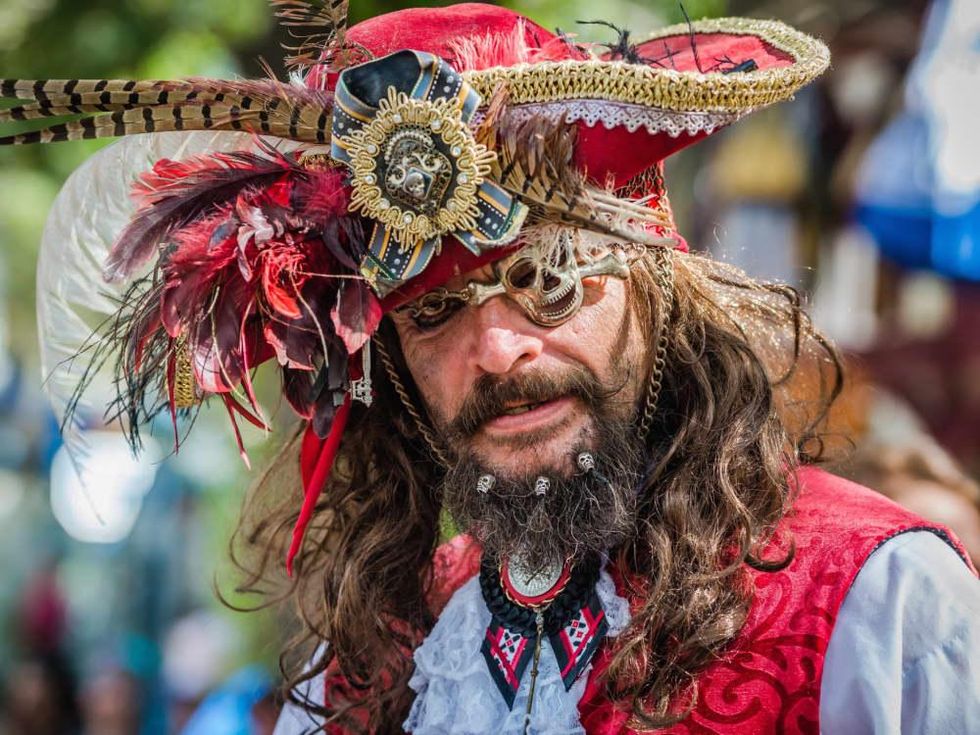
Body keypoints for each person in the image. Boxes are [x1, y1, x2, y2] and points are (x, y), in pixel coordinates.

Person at [3, 3, 978, 733]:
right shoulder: (371, 668)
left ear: (653, 292)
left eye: (547, 285)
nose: (497, 351)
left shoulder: (879, 603)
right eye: (432, 314)